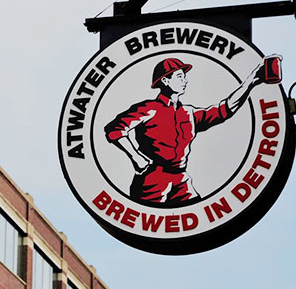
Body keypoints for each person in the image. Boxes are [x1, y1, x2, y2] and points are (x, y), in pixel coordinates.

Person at [104, 57, 265, 206]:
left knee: (201, 221)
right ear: (166, 80)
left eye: (184, 76)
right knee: (147, 231)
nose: (185, 81)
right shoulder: (149, 109)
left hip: (181, 179)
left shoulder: (188, 113)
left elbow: (224, 109)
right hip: (152, 179)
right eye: (180, 77)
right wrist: (135, 156)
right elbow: (114, 129)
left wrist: (250, 82)